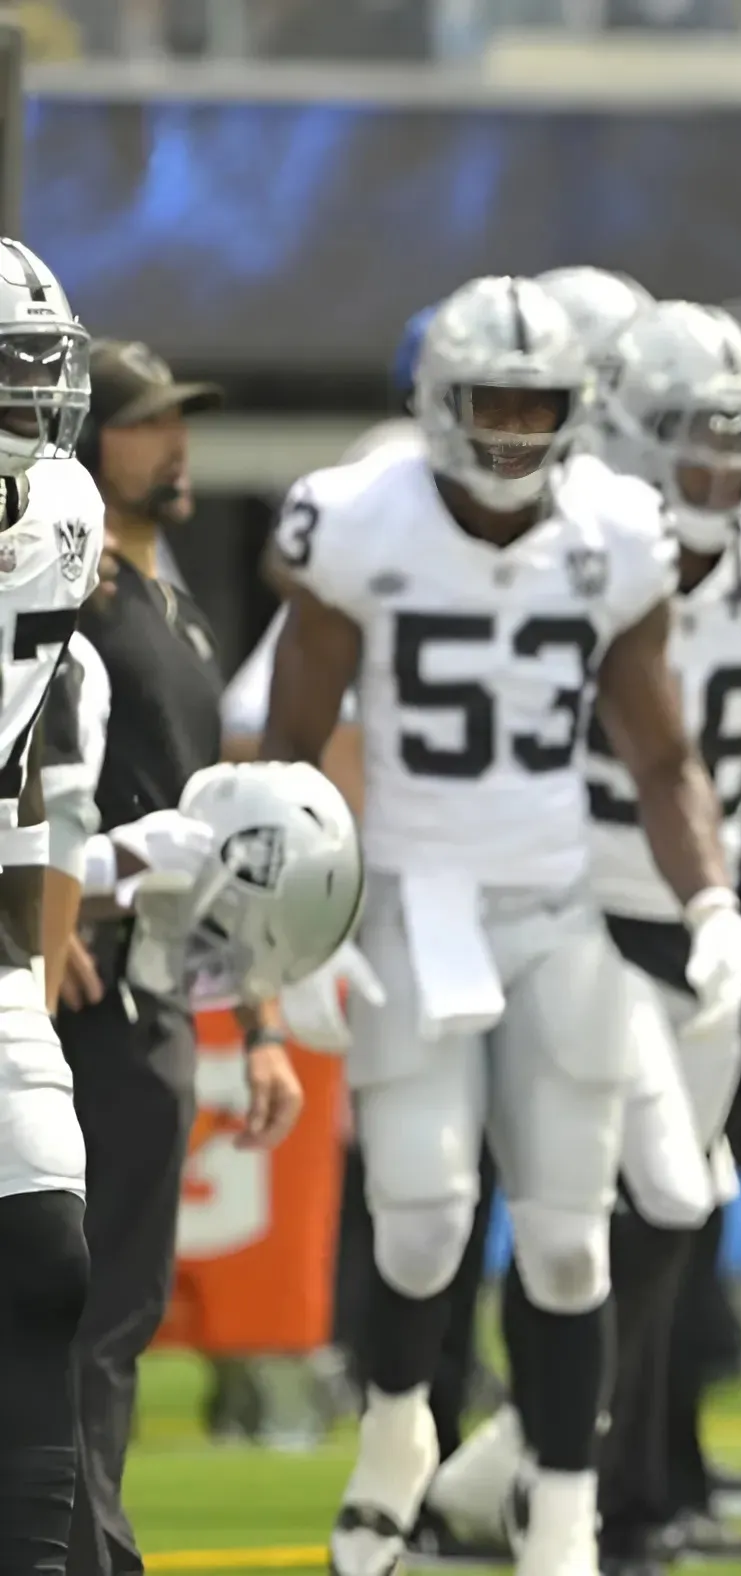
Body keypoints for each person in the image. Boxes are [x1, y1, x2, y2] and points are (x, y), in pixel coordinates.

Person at [261, 276, 741, 1576]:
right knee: (420, 1221)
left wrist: (712, 902)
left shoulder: (612, 530)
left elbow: (662, 756)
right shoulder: (358, 520)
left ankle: (563, 1518)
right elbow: (294, 751)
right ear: (439, 403)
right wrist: (290, 944)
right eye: (497, 401)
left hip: (554, 909)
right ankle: (396, 1440)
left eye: (543, 403)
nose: (521, 427)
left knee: (569, 1237)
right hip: (414, 908)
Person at [409, 301, 741, 1569]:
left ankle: (520, 1456)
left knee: (660, 1213)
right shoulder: (585, 533)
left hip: (698, 912)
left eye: (735, 443)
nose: (717, 472)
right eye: (689, 442)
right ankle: (549, 1478)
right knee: (596, 1202)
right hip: (571, 896)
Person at [59, 336, 310, 1576]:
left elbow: (222, 836)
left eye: (178, 418)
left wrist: (260, 1020)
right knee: (84, 1319)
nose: (175, 441)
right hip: (76, 979)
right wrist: (47, 914)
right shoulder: (70, 598)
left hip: (155, 986)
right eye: (147, 420)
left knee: (115, 1316)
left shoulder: (173, 604)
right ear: (86, 438)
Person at [0, 235, 104, 1575]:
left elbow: (20, 754)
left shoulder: (63, 511)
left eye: (39, 374)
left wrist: (24, 973)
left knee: (48, 1254)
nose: (33, 407)